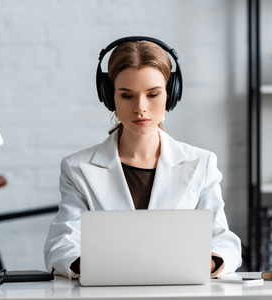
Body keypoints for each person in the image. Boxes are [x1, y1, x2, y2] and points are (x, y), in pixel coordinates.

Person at [44, 36, 242, 279]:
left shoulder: (202, 164)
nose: (140, 107)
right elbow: (61, 245)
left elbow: (224, 242)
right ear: (109, 96)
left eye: (153, 94)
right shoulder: (78, 168)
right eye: (127, 95)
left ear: (171, 94)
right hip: (109, 292)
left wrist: (205, 264)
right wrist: (98, 267)